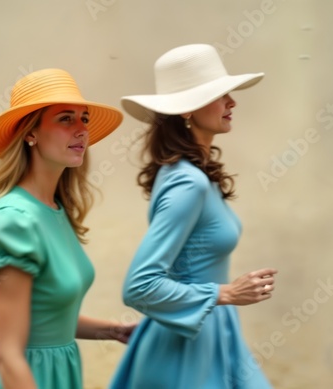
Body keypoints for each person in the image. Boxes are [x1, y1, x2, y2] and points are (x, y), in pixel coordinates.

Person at [109, 44, 278, 388]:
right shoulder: (188, 182)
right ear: (187, 110)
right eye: (219, 94)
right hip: (185, 351)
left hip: (211, 335)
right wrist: (226, 293)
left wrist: (223, 298)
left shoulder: (195, 176)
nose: (232, 102)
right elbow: (139, 287)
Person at [0, 68, 134, 389]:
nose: (82, 130)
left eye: (85, 119)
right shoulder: (14, 219)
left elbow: (46, 319)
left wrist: (116, 330)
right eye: (66, 119)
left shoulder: (55, 210)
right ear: (31, 133)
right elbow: (9, 354)